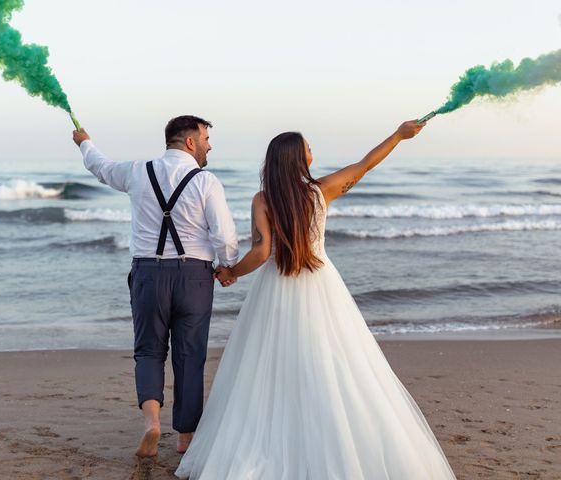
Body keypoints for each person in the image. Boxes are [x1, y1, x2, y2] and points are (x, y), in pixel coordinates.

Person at [175, 120, 457, 479]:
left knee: (266, 367)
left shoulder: (263, 200)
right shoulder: (322, 192)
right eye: (308, 147)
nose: (313, 152)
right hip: (321, 285)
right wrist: (399, 136)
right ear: (298, 159)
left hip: (275, 288)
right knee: (332, 361)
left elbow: (262, 252)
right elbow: (366, 164)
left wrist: (231, 271)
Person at [72, 115, 238, 458]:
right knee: (190, 355)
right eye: (206, 138)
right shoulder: (206, 181)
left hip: (148, 274)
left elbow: (100, 167)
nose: (209, 145)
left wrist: (84, 142)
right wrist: (227, 266)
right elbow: (224, 235)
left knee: (148, 350)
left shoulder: (137, 171)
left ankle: (151, 422)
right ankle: (185, 438)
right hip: (194, 277)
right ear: (190, 142)